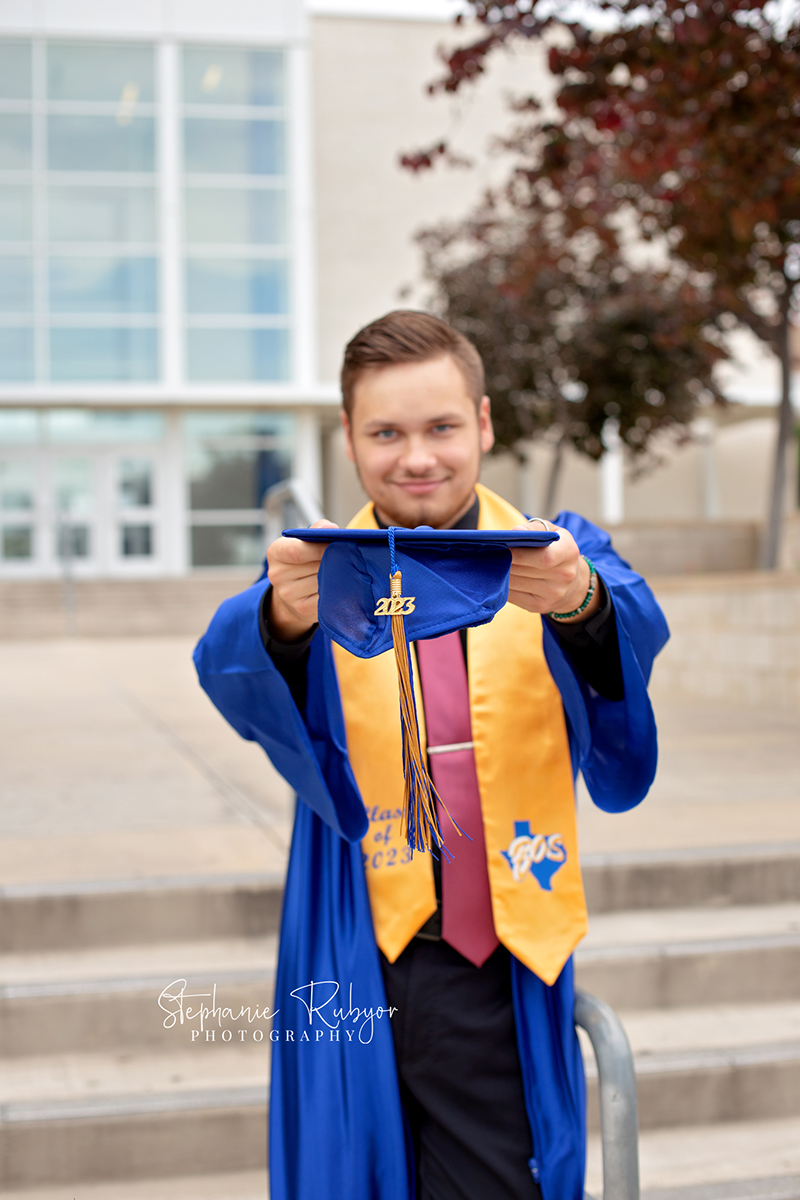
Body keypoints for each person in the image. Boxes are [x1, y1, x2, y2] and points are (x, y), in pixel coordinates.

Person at [194, 311, 669, 1200]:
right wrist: (283, 621)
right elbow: (228, 664)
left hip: (498, 959)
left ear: (484, 424)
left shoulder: (552, 552)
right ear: (348, 439)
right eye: (386, 432)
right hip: (356, 943)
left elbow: (629, 617)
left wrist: (581, 603)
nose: (417, 457)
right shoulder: (313, 573)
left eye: (442, 427)